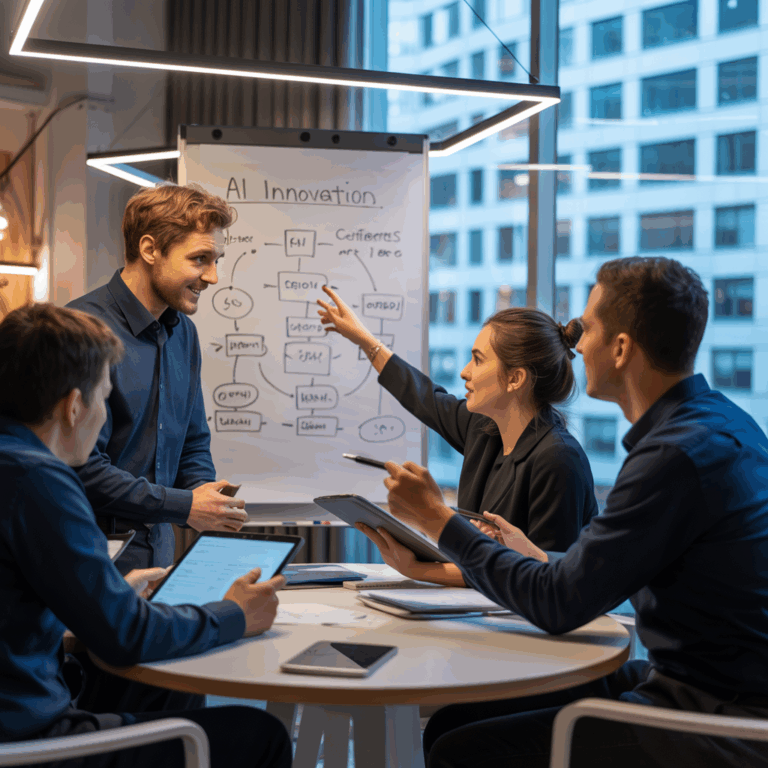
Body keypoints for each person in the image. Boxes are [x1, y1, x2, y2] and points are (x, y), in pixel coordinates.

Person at [378, 256, 768, 768]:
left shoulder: (673, 456)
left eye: (588, 328)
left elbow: (559, 606)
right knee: (456, 721)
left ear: (622, 348)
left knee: (461, 750)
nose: (576, 344)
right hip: (699, 681)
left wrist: (438, 521)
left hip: (716, 715)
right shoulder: (720, 424)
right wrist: (540, 557)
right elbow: (618, 575)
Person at [0, 303, 291, 768]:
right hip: (32, 744)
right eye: (103, 399)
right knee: (261, 734)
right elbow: (126, 637)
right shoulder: (41, 481)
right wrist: (235, 614)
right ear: (74, 406)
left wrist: (104, 596)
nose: (101, 419)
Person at [317, 285, 597, 585]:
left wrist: (418, 566)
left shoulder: (558, 459)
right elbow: (421, 395)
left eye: (477, 360)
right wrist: (363, 339)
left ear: (515, 379)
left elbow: (544, 579)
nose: (465, 372)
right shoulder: (484, 428)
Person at [68, 183, 248, 576]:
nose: (213, 277)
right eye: (200, 259)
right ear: (150, 250)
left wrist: (208, 497)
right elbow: (81, 466)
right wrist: (185, 506)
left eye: (216, 259)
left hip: (159, 555)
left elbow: (193, 440)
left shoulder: (183, 332)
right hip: (89, 558)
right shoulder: (81, 331)